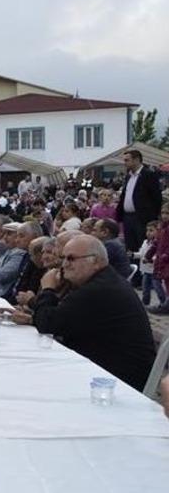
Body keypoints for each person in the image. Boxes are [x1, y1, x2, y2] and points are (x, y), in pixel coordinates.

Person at [30, 234, 156, 390]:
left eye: (71, 259)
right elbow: (63, 318)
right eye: (63, 258)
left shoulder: (99, 289)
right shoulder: (102, 280)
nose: (64, 264)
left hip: (115, 382)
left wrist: (48, 289)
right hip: (104, 367)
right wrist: (33, 317)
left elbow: (47, 324)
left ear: (95, 261)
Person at [117, 149, 163, 252]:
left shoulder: (148, 175)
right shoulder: (128, 176)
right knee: (130, 246)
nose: (125, 163)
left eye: (127, 160)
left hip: (142, 218)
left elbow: (156, 197)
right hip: (128, 217)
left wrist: (153, 216)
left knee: (142, 245)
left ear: (136, 160)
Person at [138, 221, 168, 311]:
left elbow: (157, 255)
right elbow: (142, 254)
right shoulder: (145, 242)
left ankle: (164, 304)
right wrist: (133, 255)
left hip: (154, 271)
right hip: (145, 271)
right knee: (145, 289)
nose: (148, 233)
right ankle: (144, 305)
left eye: (151, 230)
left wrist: (150, 259)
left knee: (158, 289)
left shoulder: (161, 242)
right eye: (147, 230)